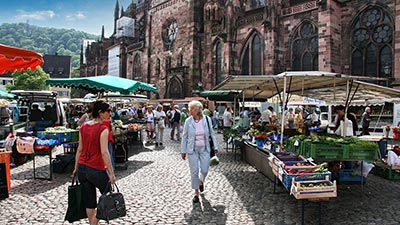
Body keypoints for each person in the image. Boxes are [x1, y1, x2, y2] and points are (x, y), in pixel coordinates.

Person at [72, 100, 116, 225]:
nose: (110, 113)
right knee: (108, 195)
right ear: (100, 113)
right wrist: (111, 173)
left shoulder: (83, 127)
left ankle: (93, 223)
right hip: (96, 168)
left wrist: (76, 167)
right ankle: (94, 222)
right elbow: (104, 152)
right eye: (108, 111)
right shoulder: (103, 128)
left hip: (82, 168)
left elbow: (80, 149)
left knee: (89, 200)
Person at [180, 100, 218, 203]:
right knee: (194, 171)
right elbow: (184, 137)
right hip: (192, 149)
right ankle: (196, 192)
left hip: (205, 148)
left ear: (198, 110)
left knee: (205, 169)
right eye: (189, 108)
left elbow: (212, 133)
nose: (190, 110)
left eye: (192, 109)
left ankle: (201, 181)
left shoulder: (207, 119)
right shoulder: (188, 121)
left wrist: (215, 146)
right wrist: (183, 151)